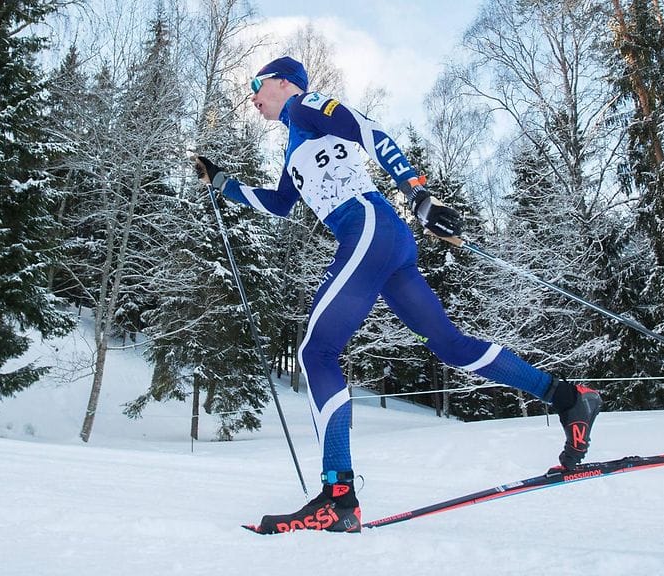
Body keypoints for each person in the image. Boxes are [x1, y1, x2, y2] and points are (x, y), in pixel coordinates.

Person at [196, 56, 601, 534]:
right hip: (384, 241)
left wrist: (418, 192)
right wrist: (222, 182)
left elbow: (370, 131)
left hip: (366, 224)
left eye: (256, 84)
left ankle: (338, 497)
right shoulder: (294, 144)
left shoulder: (305, 106)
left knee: (316, 352)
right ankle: (569, 398)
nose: (252, 96)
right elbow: (281, 204)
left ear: (284, 82)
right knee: (449, 345)